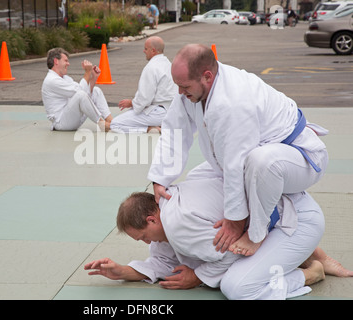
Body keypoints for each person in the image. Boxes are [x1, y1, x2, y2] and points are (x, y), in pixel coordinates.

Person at [148, 44, 329, 256]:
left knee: (261, 162)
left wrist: (235, 221)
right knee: (196, 179)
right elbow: (175, 130)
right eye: (177, 85)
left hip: (299, 159)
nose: (179, 92)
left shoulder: (233, 102)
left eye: (184, 86)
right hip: (255, 156)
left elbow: (236, 162)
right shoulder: (193, 89)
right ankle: (314, 254)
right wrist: (160, 177)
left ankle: (257, 233)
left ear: (207, 76)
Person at [84, 177, 352, 299]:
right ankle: (309, 253)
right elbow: (161, 264)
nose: (148, 243)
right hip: (284, 216)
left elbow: (233, 252)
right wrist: (120, 271)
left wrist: (198, 277)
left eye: (142, 237)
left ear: (152, 219)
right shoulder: (170, 206)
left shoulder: (177, 222)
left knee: (237, 287)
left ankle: (311, 272)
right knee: (194, 257)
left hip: (293, 222)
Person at [110, 36, 177, 134]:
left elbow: (144, 98)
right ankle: (156, 125)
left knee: (115, 124)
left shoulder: (151, 68)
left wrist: (132, 103)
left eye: (146, 49)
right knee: (132, 116)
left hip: (158, 112)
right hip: (171, 111)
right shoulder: (169, 64)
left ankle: (149, 129)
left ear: (153, 51)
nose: (143, 51)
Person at [42, 48, 113, 131]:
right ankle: (103, 125)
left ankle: (111, 121)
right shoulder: (52, 80)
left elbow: (85, 94)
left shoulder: (65, 78)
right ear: (56, 61)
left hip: (72, 118)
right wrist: (87, 72)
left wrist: (93, 78)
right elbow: (80, 93)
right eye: (66, 61)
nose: (68, 64)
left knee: (96, 91)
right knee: (80, 95)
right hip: (61, 123)